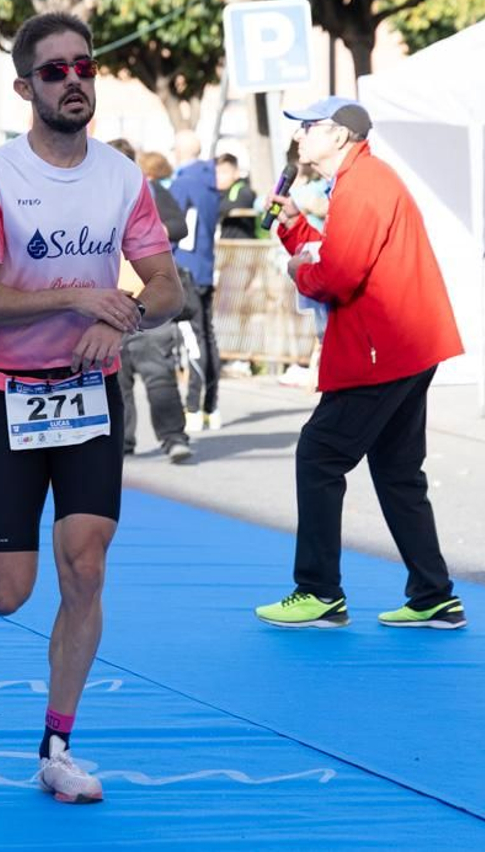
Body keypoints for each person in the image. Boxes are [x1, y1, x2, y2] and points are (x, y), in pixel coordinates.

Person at [0, 12, 182, 804]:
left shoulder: (121, 177)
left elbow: (168, 283)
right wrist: (80, 294)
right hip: (11, 397)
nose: (74, 81)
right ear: (24, 88)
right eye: (54, 72)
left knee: (86, 564)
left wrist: (126, 322)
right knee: (14, 589)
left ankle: (57, 744)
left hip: (89, 399)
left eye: (83, 68)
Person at [253, 96, 468, 631]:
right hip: (404, 346)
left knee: (319, 454)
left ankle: (319, 591)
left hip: (384, 348)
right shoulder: (360, 181)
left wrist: (296, 271)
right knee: (396, 471)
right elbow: (340, 254)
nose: (300, 137)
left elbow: (339, 274)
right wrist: (295, 231)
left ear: (339, 135)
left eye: (308, 128)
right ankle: (433, 594)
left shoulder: (364, 184)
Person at [113, 143, 192, 463]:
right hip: (110, 301)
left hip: (151, 299)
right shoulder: (91, 194)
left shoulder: (150, 190)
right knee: (116, 379)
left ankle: (173, 437)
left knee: (158, 373)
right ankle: (122, 441)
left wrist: (149, 233)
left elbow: (179, 226)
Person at [169, 131, 221, 432]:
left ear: (180, 150)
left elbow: (172, 230)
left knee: (193, 337)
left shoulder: (183, 182)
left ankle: (192, 408)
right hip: (205, 265)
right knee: (207, 336)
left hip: (185, 269)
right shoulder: (210, 181)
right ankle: (210, 407)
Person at [215, 153, 259, 239]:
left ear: (236, 173)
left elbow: (240, 202)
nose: (218, 177)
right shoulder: (218, 193)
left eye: (224, 172)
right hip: (226, 247)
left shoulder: (242, 190)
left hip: (244, 248)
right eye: (216, 172)